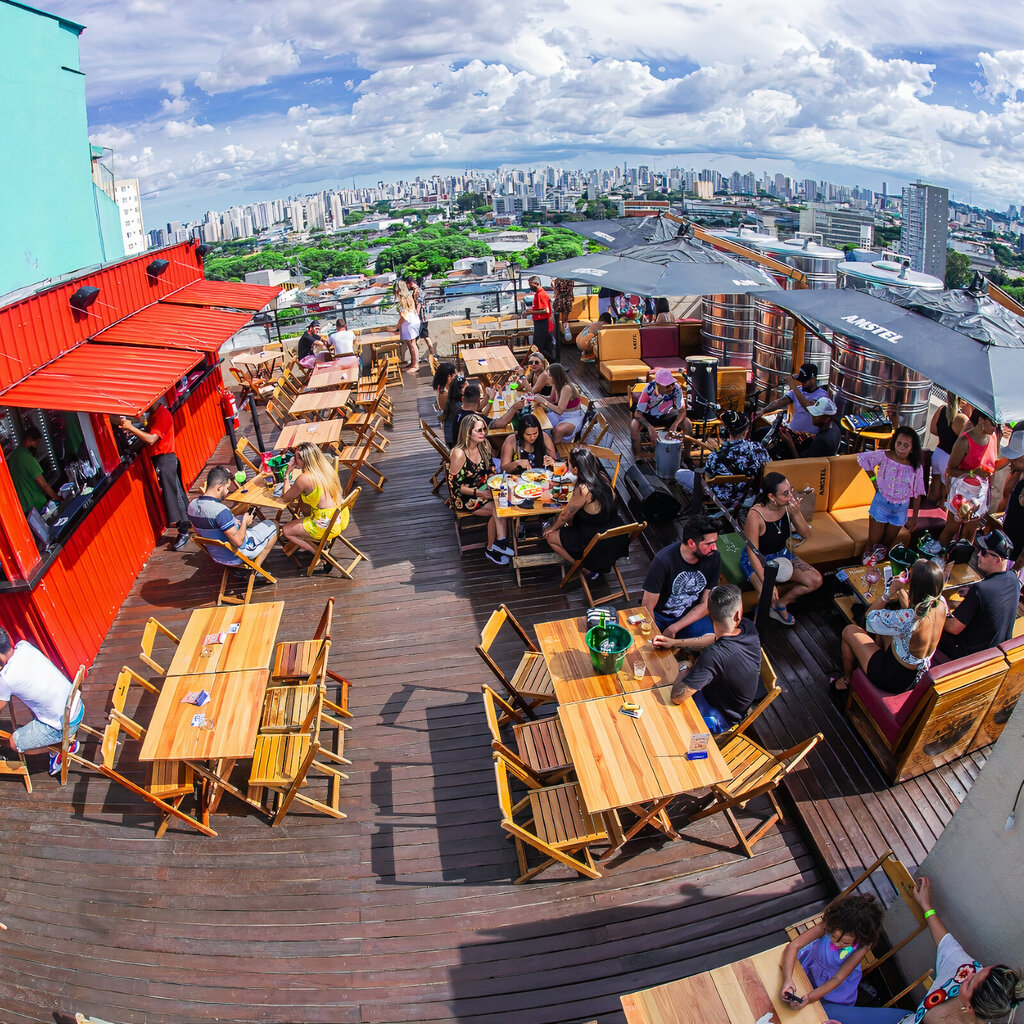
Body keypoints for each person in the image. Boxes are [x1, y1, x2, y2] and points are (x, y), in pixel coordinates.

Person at [816, 875, 1023, 1024]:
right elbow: (945, 941)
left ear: (969, 1007)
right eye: (982, 971)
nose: (969, 974)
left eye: (970, 983)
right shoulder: (966, 970)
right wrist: (927, 907)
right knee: (824, 1011)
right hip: (904, 1020)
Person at [832, 558, 946, 696]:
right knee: (884, 631)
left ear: (915, 586)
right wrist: (901, 589)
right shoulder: (941, 605)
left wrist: (890, 591)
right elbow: (914, 613)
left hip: (891, 678)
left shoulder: (906, 619)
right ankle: (872, 653)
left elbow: (868, 617)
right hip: (916, 674)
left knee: (849, 631)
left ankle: (847, 680)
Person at [661, 585, 761, 732]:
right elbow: (713, 639)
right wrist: (675, 643)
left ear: (709, 616)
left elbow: (677, 696)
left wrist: (684, 667)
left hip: (721, 718)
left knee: (664, 711)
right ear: (738, 614)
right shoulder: (748, 627)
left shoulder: (713, 657)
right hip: (735, 704)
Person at [780, 893, 884, 1014]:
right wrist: (787, 979)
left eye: (845, 943)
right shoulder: (831, 923)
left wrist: (809, 998)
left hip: (834, 984)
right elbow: (795, 945)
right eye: (833, 937)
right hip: (811, 964)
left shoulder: (863, 946)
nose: (837, 944)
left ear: (860, 939)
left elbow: (837, 978)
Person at [0, 627, 84, 776]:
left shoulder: (7, 679)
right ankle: (57, 747)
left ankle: (62, 746)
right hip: (76, 706)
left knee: (14, 742)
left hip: (64, 725)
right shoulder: (24, 646)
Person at [742, 472, 823, 626]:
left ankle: (780, 604)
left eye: (790, 490)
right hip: (759, 557)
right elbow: (752, 552)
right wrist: (767, 582)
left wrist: (797, 513)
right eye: (786, 493)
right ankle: (755, 635)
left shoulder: (787, 507)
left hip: (782, 554)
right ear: (772, 497)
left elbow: (805, 534)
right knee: (766, 594)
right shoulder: (755, 515)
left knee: (816, 580)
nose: (791, 496)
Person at [118, 401, 191, 551]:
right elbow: (149, 434)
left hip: (165, 459)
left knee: (175, 496)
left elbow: (151, 439)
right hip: (163, 459)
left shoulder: (162, 415)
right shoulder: (154, 415)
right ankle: (186, 525)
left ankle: (184, 531)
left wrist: (131, 427)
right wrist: (134, 430)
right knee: (176, 494)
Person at [938, 529, 1021, 659]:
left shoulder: (981, 589)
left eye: (984, 553)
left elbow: (953, 627)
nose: (978, 555)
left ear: (997, 560)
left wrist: (938, 611)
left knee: (928, 625)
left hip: (970, 655)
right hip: (995, 651)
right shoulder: (1013, 580)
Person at [642, 515, 721, 640]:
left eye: (714, 543)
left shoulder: (714, 558)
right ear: (691, 543)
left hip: (690, 617)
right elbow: (647, 607)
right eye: (709, 544)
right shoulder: (663, 561)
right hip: (659, 616)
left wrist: (675, 627)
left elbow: (706, 604)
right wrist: (653, 631)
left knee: (712, 641)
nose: (714, 547)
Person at [448, 414, 512, 566]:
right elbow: (455, 488)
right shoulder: (459, 454)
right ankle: (494, 546)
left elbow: (489, 469)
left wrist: (495, 481)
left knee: (505, 502)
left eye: (484, 429)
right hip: (465, 497)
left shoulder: (484, 446)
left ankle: (498, 544)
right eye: (479, 430)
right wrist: (481, 493)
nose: (483, 432)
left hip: (484, 488)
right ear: (468, 433)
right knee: (500, 509)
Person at [857, 427, 926, 565]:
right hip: (880, 505)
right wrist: (873, 481)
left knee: (884, 548)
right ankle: (864, 573)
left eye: (906, 445)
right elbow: (863, 459)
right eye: (899, 443)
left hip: (900, 511)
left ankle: (877, 575)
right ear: (894, 443)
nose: (901, 448)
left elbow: (917, 494)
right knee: (872, 545)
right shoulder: (884, 455)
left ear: (912, 449)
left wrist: (915, 518)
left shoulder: (916, 467)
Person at [679, 409, 768, 514]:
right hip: (744, 496)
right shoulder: (758, 449)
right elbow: (766, 466)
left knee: (679, 474)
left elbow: (706, 477)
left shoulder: (716, 455)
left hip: (720, 498)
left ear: (727, 430)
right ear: (746, 431)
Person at [939, 410, 1006, 547]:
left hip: (980, 493)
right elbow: (950, 470)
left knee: (970, 532)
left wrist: (1010, 458)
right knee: (951, 529)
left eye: (999, 424)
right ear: (981, 420)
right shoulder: (964, 441)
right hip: (962, 491)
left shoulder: (993, 437)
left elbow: (991, 466)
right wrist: (972, 473)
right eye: (994, 423)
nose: (997, 427)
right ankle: (939, 558)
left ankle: (960, 562)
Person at [543, 447, 616, 572]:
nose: (567, 465)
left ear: (576, 470)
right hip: (612, 537)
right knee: (573, 519)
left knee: (550, 537)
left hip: (594, 542)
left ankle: (587, 570)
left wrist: (550, 529)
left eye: (568, 463)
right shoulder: (602, 477)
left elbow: (564, 516)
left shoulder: (583, 489)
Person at [187, 465, 278, 564]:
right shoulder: (220, 511)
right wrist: (244, 523)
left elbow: (200, 533)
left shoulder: (192, 506)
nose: (227, 492)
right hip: (235, 556)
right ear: (219, 487)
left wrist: (233, 521)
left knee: (238, 518)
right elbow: (238, 542)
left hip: (217, 555)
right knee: (273, 524)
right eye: (227, 488)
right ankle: (257, 569)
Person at [280, 442, 349, 568]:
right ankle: (316, 545)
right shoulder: (326, 469)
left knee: (286, 530)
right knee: (305, 503)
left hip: (325, 524)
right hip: (339, 517)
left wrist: (287, 474)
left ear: (304, 460)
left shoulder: (305, 478)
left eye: (296, 457)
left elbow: (286, 497)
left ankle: (319, 554)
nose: (294, 460)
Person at [762, 362, 829, 448]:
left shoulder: (822, 395)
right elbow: (780, 402)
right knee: (760, 434)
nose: (802, 384)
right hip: (790, 433)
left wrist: (793, 386)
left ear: (813, 380)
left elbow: (809, 407)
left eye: (804, 381)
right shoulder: (799, 390)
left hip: (805, 439)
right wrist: (763, 411)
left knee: (772, 448)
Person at [631, 369, 691, 457]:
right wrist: (649, 428)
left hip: (666, 414)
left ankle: (687, 457)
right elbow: (638, 414)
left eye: (672, 384)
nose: (671, 387)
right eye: (667, 386)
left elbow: (682, 411)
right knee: (634, 425)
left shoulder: (676, 388)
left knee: (687, 423)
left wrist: (675, 425)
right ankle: (638, 457)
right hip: (649, 415)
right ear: (658, 385)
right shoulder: (648, 389)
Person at [928, 391, 970, 505]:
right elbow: (966, 443)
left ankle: (927, 512)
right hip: (949, 459)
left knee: (934, 491)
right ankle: (942, 517)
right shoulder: (962, 418)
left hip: (937, 454)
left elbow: (933, 430)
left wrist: (945, 435)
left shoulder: (941, 409)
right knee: (948, 496)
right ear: (963, 401)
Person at [8, 426, 59, 516]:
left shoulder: (12, 457)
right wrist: (58, 498)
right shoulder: (28, 458)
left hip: (24, 509)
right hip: (38, 506)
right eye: (36, 443)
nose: (36, 447)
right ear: (29, 439)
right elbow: (44, 486)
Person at [532, 363, 585, 444]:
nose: (547, 378)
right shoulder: (556, 384)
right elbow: (551, 400)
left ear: (556, 376)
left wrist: (542, 401)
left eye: (549, 376)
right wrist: (539, 396)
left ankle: (556, 453)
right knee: (540, 423)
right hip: (560, 415)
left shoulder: (566, 388)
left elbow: (560, 410)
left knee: (558, 430)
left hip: (572, 417)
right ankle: (545, 445)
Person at [997, 425, 1024, 574]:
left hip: (1016, 564)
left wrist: (1015, 570)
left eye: (1016, 456)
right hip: (1008, 553)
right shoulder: (1019, 473)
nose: (1011, 460)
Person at [404, 275, 435, 357]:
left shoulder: (417, 292)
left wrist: (416, 316)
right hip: (424, 318)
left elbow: (418, 305)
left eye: (407, 285)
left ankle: (416, 358)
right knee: (426, 337)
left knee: (413, 340)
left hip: (420, 318)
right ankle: (433, 355)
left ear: (410, 283)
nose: (408, 287)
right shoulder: (420, 290)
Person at [394, 280, 421, 372]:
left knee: (412, 344)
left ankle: (415, 365)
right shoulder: (408, 296)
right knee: (411, 344)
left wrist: (396, 326)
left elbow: (404, 315)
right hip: (411, 321)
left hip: (409, 322)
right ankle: (413, 363)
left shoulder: (403, 299)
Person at [526, 276, 555, 360]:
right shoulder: (538, 294)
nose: (530, 287)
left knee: (538, 347)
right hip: (540, 322)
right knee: (545, 345)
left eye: (531, 285)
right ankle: (550, 363)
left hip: (542, 322)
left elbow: (545, 310)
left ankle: (551, 362)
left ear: (536, 284)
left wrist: (531, 312)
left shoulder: (541, 294)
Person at [441, 375, 466, 447]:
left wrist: (489, 397)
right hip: (456, 443)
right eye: (467, 387)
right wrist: (490, 400)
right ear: (461, 391)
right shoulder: (457, 406)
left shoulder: (453, 401)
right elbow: (478, 413)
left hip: (453, 440)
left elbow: (476, 409)